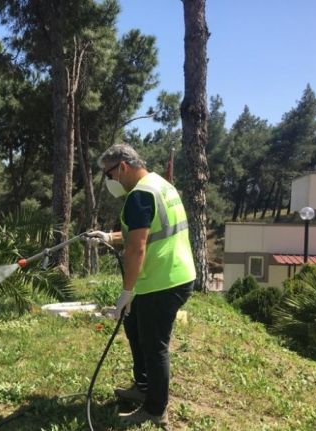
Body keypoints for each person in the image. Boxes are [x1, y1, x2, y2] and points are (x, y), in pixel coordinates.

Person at [87, 143, 195, 430]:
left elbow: (137, 247)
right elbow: (144, 230)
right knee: (134, 325)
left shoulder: (139, 195)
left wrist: (126, 292)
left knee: (154, 345)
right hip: (176, 274)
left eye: (109, 175)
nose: (110, 182)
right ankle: (143, 385)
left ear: (122, 167)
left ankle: (155, 410)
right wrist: (109, 237)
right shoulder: (159, 184)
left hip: (162, 281)